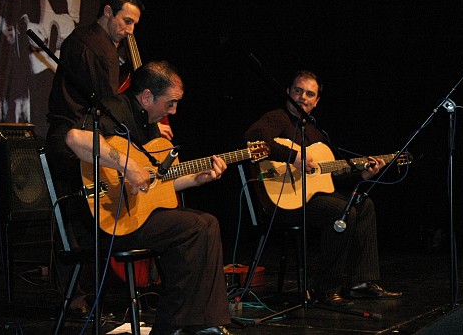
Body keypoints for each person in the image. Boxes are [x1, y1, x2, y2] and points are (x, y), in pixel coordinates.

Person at [61, 60, 232, 335]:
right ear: (147, 96)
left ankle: (203, 322)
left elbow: (157, 185)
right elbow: (74, 138)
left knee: (207, 222)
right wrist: (126, 165)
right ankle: (171, 326)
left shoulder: (150, 124)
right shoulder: (114, 109)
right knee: (195, 227)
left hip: (137, 217)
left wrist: (197, 179)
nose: (173, 111)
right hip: (105, 223)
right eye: (171, 103)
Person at [243, 70, 402, 308]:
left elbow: (330, 177)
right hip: (282, 202)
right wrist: (293, 156)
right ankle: (325, 290)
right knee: (340, 210)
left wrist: (362, 174)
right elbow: (254, 140)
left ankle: (360, 283)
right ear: (288, 92)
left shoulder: (316, 134)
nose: (303, 97)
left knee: (363, 204)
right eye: (298, 91)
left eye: (309, 94)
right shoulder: (278, 118)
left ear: (316, 102)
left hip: (309, 198)